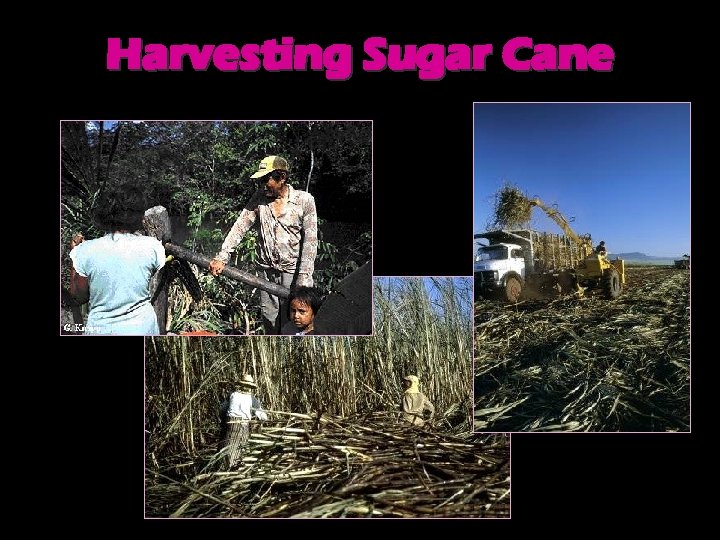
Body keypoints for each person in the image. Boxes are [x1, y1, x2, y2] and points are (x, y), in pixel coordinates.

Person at [208, 156, 318, 335]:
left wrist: (303, 280)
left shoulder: (304, 201)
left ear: (282, 177)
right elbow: (240, 227)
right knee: (269, 317)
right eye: (260, 180)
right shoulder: (259, 199)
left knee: (294, 321)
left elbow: (310, 242)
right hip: (265, 271)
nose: (262, 185)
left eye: (266, 180)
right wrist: (222, 256)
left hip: (292, 273)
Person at [68, 186, 165, 335]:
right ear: (138, 215)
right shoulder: (152, 247)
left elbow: (77, 297)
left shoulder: (86, 250)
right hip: (142, 330)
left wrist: (75, 255)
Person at [218, 374, 268, 469]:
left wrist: (223, 420)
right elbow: (262, 415)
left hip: (230, 425)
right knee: (241, 448)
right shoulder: (252, 399)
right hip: (243, 425)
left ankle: (225, 467)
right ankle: (235, 468)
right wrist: (261, 420)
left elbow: (222, 410)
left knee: (227, 446)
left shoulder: (233, 395)